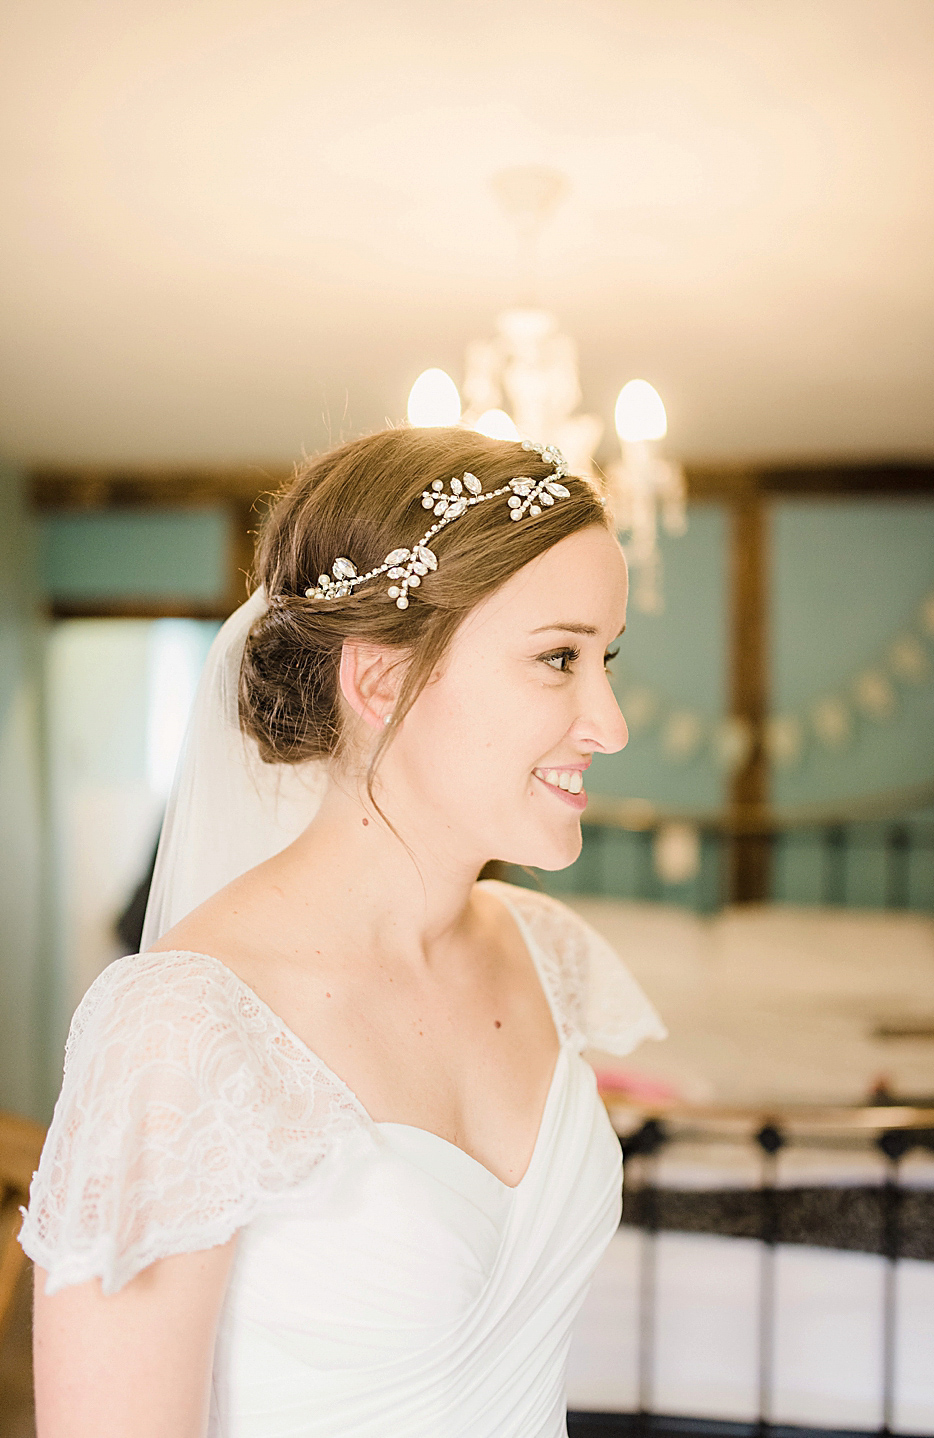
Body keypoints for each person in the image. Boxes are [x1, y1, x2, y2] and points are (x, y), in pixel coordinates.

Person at [21, 427, 664, 1438]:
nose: (612, 722)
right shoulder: (182, 1028)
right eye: (558, 658)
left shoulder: (549, 956)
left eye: (607, 657)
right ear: (377, 683)